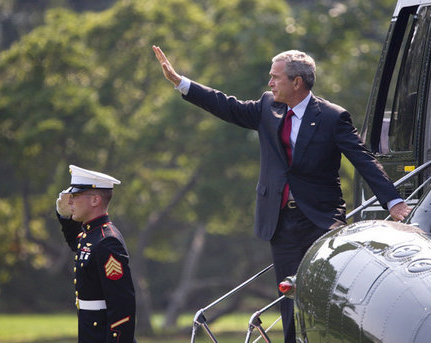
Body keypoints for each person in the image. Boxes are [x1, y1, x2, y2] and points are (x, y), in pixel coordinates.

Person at [153, 45, 411, 342]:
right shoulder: (267, 107)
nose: (270, 83)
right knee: (289, 299)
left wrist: (394, 202)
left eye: (275, 77)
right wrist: (180, 83)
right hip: (280, 222)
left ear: (297, 82)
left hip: (321, 221)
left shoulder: (332, 117)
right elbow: (226, 105)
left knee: (321, 297)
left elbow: (363, 159)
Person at [56, 165, 137, 343]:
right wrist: (64, 217)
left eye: (75, 196)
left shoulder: (107, 241)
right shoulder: (91, 234)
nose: (70, 201)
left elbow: (122, 306)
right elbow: (78, 245)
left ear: (95, 200)